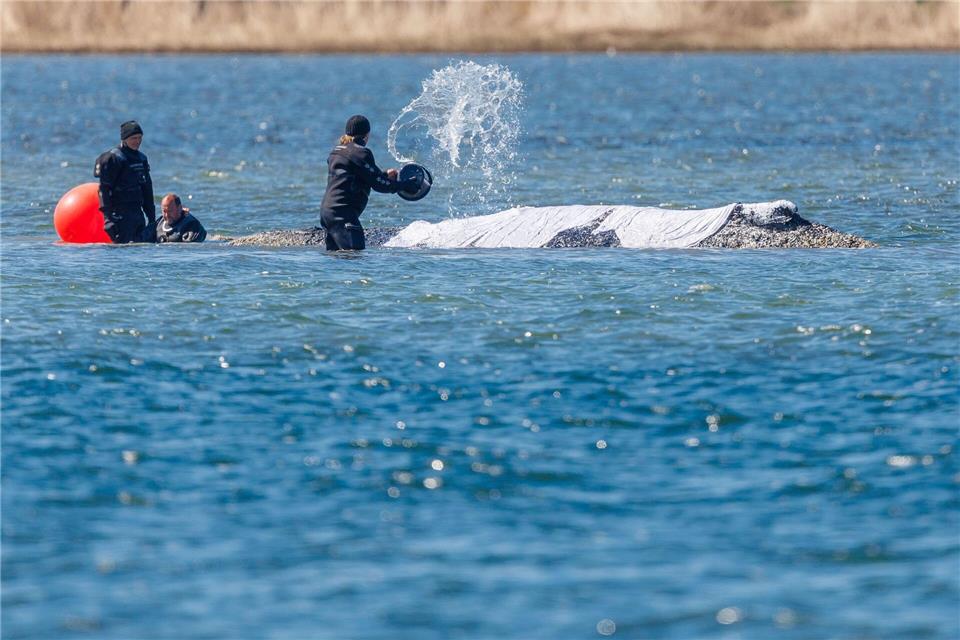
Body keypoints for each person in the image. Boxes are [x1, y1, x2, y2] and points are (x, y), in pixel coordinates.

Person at [320, 115, 414, 251]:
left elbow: (358, 177)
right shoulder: (361, 153)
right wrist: (405, 185)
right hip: (343, 215)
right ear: (367, 134)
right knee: (355, 259)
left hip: (327, 213)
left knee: (336, 263)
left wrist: (384, 175)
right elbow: (379, 185)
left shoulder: (337, 152)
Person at [94, 120, 156, 243]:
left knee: (140, 251)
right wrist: (108, 219)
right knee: (123, 251)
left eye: (140, 138)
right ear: (124, 138)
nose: (137, 142)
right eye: (133, 138)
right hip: (119, 216)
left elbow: (147, 190)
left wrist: (151, 218)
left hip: (137, 214)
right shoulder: (112, 158)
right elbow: (103, 190)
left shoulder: (142, 159)